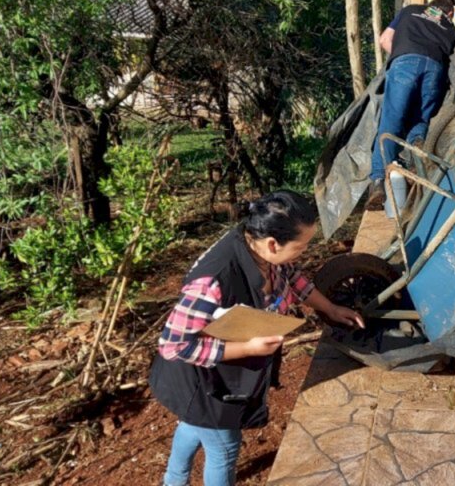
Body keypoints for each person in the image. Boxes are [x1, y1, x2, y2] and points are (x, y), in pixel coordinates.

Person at [149, 190, 364, 486]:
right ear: (274, 244)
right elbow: (174, 345)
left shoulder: (261, 248)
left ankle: (173, 481)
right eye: (301, 247)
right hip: (200, 379)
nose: (304, 252)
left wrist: (330, 308)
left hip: (214, 379)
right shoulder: (213, 280)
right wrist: (247, 347)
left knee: (193, 422)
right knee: (224, 448)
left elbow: (292, 276)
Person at [366, 0, 455, 210]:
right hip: (434, 69)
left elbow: (384, 40)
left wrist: (402, 54)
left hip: (405, 62)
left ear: (430, 6)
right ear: (449, 14)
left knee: (391, 121)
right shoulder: (450, 27)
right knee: (420, 120)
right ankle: (417, 155)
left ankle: (379, 180)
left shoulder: (410, 10)